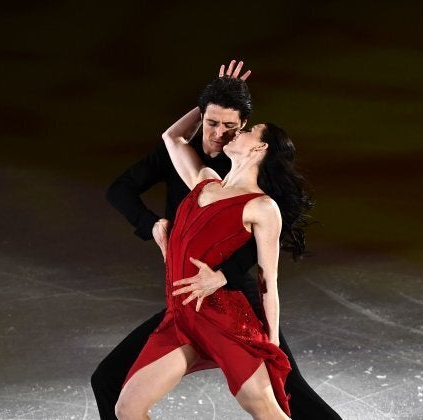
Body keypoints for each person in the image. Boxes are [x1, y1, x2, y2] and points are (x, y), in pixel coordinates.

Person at [91, 61, 341, 419]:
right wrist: (212, 97)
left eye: (238, 128)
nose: (225, 133)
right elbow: (171, 139)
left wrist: (267, 340)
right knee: (121, 399)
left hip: (227, 308)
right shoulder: (205, 178)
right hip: (184, 311)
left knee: (279, 398)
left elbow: (265, 273)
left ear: (256, 146)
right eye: (214, 123)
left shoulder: (259, 202)